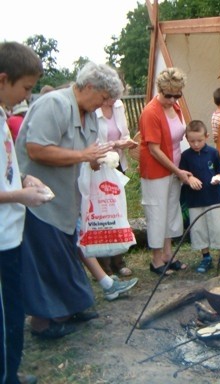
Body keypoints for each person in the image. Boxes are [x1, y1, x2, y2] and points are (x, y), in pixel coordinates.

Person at [15, 61, 123, 341]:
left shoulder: (87, 114)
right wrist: (83, 157)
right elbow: (36, 149)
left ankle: (71, 307)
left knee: (63, 257)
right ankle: (43, 323)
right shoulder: (54, 105)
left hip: (65, 200)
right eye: (103, 98)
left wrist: (97, 160)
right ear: (89, 87)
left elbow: (85, 153)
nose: (104, 105)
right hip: (40, 200)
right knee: (45, 261)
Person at [0, 41, 46, 384]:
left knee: (13, 310)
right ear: (3, 79)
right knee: (5, 315)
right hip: (1, 236)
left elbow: (6, 167)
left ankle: (10, 371)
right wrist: (22, 195)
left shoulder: (3, 115)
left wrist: (24, 177)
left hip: (11, 232)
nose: (26, 97)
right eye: (25, 88)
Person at [139, 67, 191, 276]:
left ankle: (168, 254)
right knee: (157, 212)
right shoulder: (150, 112)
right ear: (159, 90)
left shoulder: (175, 107)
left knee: (171, 211)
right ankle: (156, 259)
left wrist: (179, 170)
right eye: (168, 95)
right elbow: (154, 149)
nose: (172, 100)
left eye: (176, 95)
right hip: (156, 170)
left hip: (174, 167)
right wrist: (177, 171)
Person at [180, 120, 220, 273]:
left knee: (218, 227)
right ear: (187, 139)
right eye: (192, 141)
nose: (196, 144)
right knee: (199, 229)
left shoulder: (212, 152)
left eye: (200, 140)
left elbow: (219, 170)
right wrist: (189, 179)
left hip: (214, 198)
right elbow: (182, 175)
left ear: (207, 136)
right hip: (194, 200)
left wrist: (218, 177)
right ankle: (205, 257)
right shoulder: (185, 156)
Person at [95, 97, 138, 277]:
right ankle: (104, 266)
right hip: (98, 166)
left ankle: (118, 261)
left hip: (117, 164)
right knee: (102, 213)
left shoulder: (118, 105)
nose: (114, 99)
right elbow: (92, 142)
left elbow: (125, 134)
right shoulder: (93, 108)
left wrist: (125, 142)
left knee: (118, 212)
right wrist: (114, 144)